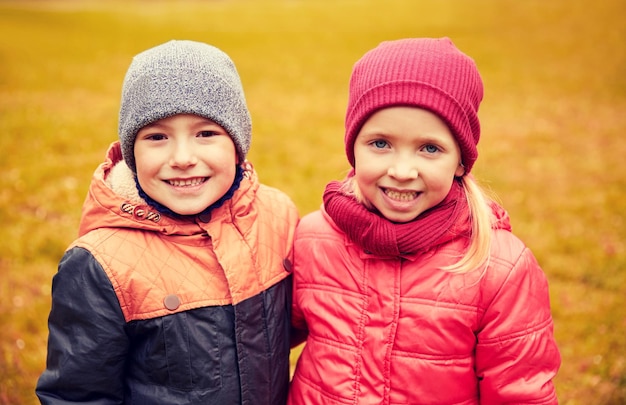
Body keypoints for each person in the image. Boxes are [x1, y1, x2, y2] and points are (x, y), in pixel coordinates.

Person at [288, 38, 560, 404]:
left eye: (429, 148)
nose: (402, 171)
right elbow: (260, 343)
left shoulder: (498, 268)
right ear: (353, 147)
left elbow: (520, 392)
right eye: (380, 143)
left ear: (461, 161)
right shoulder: (313, 239)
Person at [36, 40, 298, 404]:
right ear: (131, 152)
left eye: (206, 134)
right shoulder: (100, 265)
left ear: (237, 145)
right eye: (157, 137)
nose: (183, 158)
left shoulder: (276, 216)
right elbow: (77, 394)